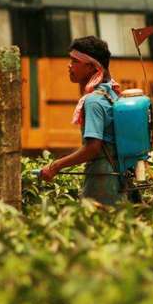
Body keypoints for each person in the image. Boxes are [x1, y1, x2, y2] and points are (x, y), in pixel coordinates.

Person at [40, 36, 125, 206]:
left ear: (91, 66)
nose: (69, 65)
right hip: (119, 175)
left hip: (102, 179)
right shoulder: (112, 94)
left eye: (74, 61)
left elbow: (92, 148)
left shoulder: (94, 101)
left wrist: (55, 166)